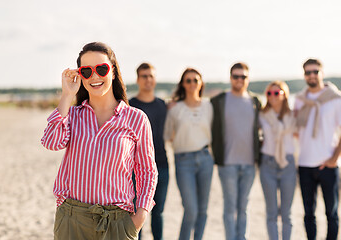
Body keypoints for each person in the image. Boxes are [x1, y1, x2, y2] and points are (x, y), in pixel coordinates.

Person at [41, 42, 158, 240]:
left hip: (117, 222)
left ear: (112, 72)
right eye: (86, 71)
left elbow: (147, 171)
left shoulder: (136, 119)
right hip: (72, 220)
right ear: (80, 75)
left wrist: (141, 214)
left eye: (101, 69)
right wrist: (67, 95)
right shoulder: (73, 115)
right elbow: (51, 142)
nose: (94, 76)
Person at [294, 59, 341, 240]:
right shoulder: (299, 100)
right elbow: (296, 130)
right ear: (304, 75)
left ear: (322, 73)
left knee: (331, 213)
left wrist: (334, 158)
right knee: (308, 213)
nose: (311, 75)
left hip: (328, 165)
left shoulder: (335, 99)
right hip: (304, 163)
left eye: (315, 72)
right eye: (308, 72)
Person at [211, 62, 262, 240]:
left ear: (248, 79)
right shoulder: (219, 101)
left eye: (243, 77)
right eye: (236, 76)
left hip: (250, 164)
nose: (239, 80)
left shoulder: (256, 102)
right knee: (230, 207)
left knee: (244, 207)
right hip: (227, 164)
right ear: (230, 78)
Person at [164, 68, 214, 240]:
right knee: (190, 209)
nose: (192, 83)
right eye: (188, 80)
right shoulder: (175, 108)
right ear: (183, 84)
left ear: (200, 83)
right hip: (183, 161)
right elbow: (168, 135)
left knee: (203, 210)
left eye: (195, 80)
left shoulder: (209, 106)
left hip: (206, 159)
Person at [129, 63, 169, 240]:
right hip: (135, 170)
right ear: (138, 80)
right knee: (137, 213)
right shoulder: (129, 106)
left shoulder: (163, 105)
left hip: (161, 165)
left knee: (158, 212)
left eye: (151, 76)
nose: (148, 80)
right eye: (144, 76)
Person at [259, 81, 296, 240]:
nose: (272, 96)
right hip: (268, 164)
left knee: (287, 213)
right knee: (271, 212)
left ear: (284, 94)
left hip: (288, 164)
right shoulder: (261, 115)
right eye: (269, 93)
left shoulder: (293, 115)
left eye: (276, 93)